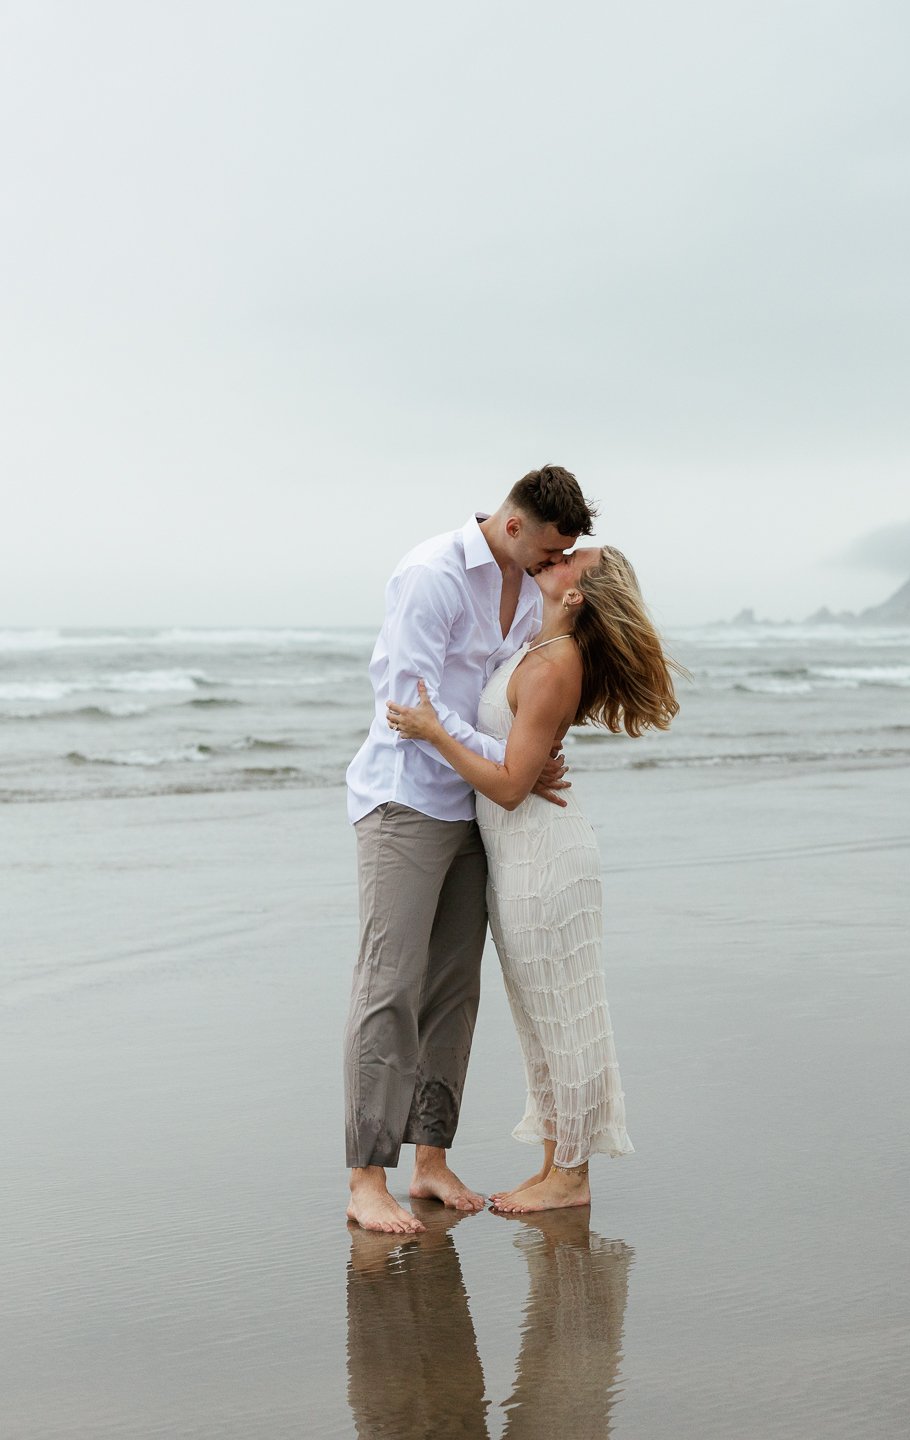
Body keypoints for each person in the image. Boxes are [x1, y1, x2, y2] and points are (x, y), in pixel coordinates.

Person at [388, 545, 682, 1212]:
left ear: (576, 594)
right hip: (518, 858)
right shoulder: (535, 645)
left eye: (578, 556)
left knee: (566, 1017)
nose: (563, 553)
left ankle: (572, 1176)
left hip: (545, 856)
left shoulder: (556, 664)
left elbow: (514, 787)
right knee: (540, 1017)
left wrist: (433, 730)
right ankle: (556, 1161)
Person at [343, 466, 597, 1236]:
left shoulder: (529, 585)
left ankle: (430, 1161)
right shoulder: (433, 575)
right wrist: (518, 758)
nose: (555, 567)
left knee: (454, 992)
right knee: (390, 985)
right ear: (514, 526)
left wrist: (515, 760)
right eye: (550, 551)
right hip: (407, 800)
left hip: (476, 809)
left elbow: (511, 692)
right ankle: (366, 1176)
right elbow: (413, 704)